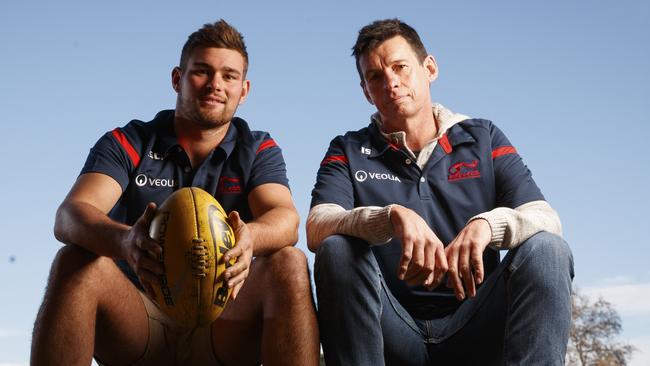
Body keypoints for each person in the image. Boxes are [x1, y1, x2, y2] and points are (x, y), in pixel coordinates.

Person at [31, 20, 319, 366]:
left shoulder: (257, 147)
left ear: (243, 91)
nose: (215, 85)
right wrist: (124, 242)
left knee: (289, 262)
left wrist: (250, 239)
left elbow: (285, 219)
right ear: (177, 79)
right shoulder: (131, 141)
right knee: (75, 260)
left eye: (229, 76)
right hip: (139, 319)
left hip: (223, 322)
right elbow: (70, 216)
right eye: (202, 71)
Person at [308, 19, 574, 365]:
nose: (391, 81)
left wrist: (485, 226)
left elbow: (546, 218)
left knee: (548, 251)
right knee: (337, 249)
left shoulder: (483, 137)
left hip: (476, 326)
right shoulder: (348, 148)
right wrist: (390, 217)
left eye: (400, 67)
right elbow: (317, 225)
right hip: (393, 330)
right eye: (375, 76)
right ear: (365, 90)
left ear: (429, 68)